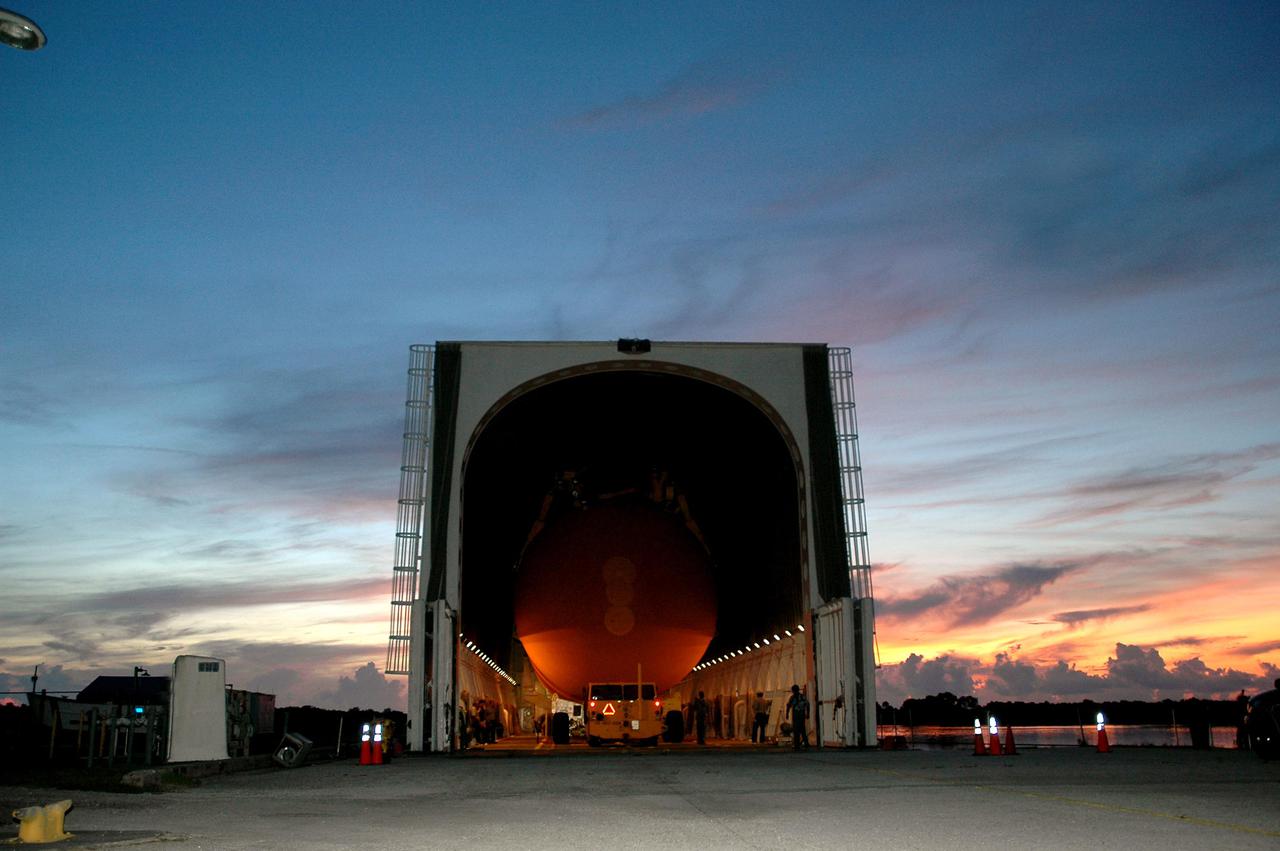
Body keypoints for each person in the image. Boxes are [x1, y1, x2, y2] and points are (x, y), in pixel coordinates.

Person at [785, 684, 810, 751]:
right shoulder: (803, 697)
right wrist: (808, 714)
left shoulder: (792, 697)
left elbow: (788, 706)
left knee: (796, 730)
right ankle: (806, 743)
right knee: (802, 730)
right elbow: (807, 704)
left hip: (796, 716)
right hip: (801, 715)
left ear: (793, 690)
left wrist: (787, 714)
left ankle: (797, 745)